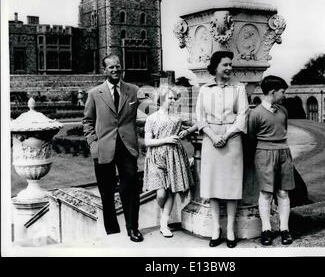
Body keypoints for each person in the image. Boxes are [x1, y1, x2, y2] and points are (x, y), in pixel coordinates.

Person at [82, 54, 143, 242]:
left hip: (127, 147)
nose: (115, 70)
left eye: (117, 66)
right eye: (111, 67)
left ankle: (133, 228)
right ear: (104, 70)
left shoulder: (133, 90)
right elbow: (87, 121)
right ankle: (112, 230)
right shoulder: (95, 93)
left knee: (130, 188)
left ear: (121, 68)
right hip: (103, 148)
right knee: (106, 191)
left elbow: (142, 114)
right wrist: (93, 143)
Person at [196, 51, 249, 248]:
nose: (229, 68)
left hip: (232, 139)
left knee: (231, 185)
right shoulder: (204, 90)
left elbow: (242, 116)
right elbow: (200, 117)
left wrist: (225, 136)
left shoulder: (238, 88)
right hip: (211, 139)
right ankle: (216, 228)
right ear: (215, 66)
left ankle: (231, 230)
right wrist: (212, 135)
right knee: (212, 185)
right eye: (225, 64)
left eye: (230, 65)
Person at [143, 86, 197, 238]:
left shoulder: (178, 117)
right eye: (170, 98)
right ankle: (163, 213)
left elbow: (199, 123)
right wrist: (166, 139)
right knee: (161, 193)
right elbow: (147, 142)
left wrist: (186, 132)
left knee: (171, 190)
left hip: (174, 156)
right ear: (161, 100)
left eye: (175, 98)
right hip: (156, 157)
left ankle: (164, 223)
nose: (173, 101)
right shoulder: (152, 118)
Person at [248, 75, 295, 246]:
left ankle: (284, 229)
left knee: (283, 193)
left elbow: (284, 130)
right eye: (282, 92)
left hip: (283, 152)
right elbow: (252, 138)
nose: (284, 95)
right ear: (273, 92)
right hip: (264, 154)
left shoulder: (283, 111)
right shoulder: (256, 113)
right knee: (266, 193)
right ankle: (266, 230)